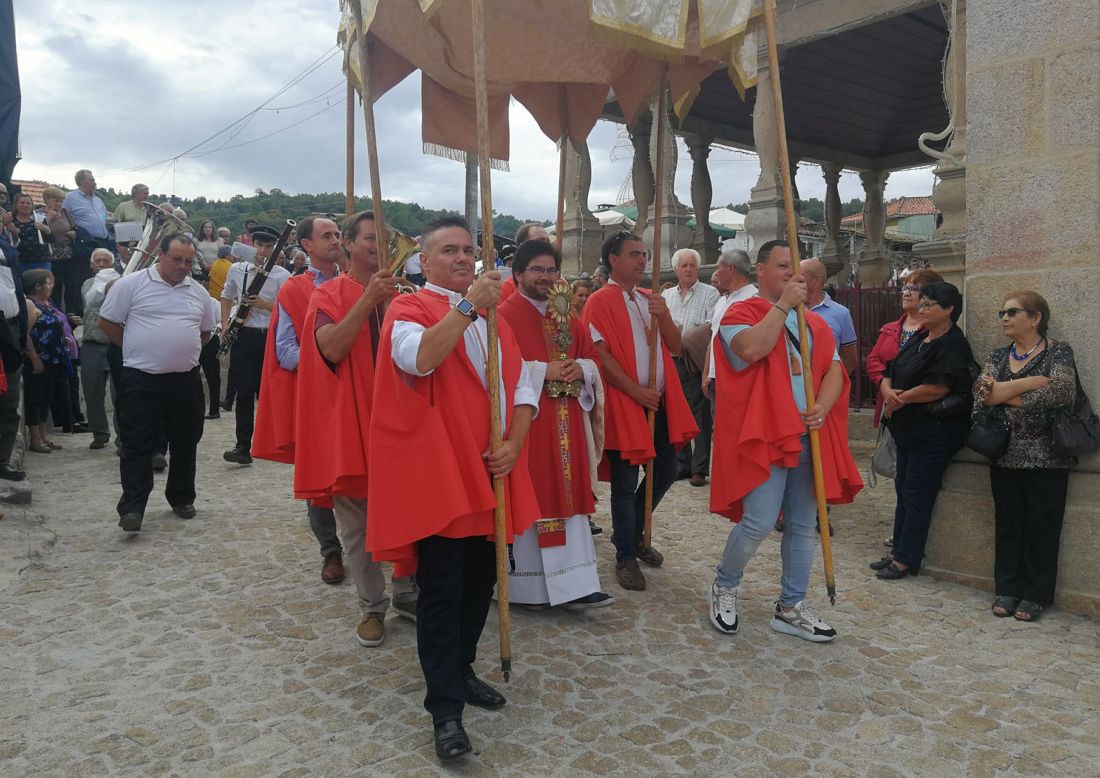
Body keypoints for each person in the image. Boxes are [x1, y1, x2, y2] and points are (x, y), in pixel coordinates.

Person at [367, 216, 540, 762]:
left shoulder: (498, 319)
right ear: (424, 259)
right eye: (450, 250)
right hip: (444, 478)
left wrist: (514, 441)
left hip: (493, 473)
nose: (463, 258)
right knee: (441, 593)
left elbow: (523, 386)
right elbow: (418, 359)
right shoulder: (409, 308)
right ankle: (444, 709)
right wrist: (467, 308)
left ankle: (461, 669)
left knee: (480, 585)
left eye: (469, 250)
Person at [709, 240, 862, 641]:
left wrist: (824, 407)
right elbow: (751, 349)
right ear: (760, 270)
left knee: (803, 524)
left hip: (807, 434)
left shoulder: (814, 322)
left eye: (795, 268)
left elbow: (833, 370)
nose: (790, 274)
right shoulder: (739, 312)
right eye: (781, 266)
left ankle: (791, 605)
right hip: (767, 433)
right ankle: (725, 584)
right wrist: (782, 307)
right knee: (758, 521)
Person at [295, 211, 418, 644]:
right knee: (359, 526)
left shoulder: (405, 295)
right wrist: (369, 300)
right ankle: (371, 606)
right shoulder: (327, 294)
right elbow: (330, 348)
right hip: (354, 426)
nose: (379, 245)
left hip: (401, 424)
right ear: (348, 244)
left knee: (407, 514)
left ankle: (406, 592)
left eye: (385, 239)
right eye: (371, 238)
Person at [499, 239, 613, 609]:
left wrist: (582, 369)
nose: (546, 277)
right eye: (538, 270)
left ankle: (575, 583)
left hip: (567, 424)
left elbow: (593, 359)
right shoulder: (502, 317)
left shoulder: (567, 316)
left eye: (551, 270)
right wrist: (540, 371)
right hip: (527, 426)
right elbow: (494, 369)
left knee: (569, 499)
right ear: (518, 274)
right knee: (532, 494)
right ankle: (525, 588)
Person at [581, 232, 697, 591]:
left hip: (659, 400)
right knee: (625, 480)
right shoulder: (599, 301)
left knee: (667, 467)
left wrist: (663, 317)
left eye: (644, 254)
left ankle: (631, 531)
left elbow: (677, 346)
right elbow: (599, 354)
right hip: (625, 401)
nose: (642, 260)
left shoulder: (652, 299)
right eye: (634, 254)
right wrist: (636, 392)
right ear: (613, 260)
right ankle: (626, 556)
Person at [99, 234, 214, 532]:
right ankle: (133, 507)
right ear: (160, 256)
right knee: (137, 443)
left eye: (188, 261)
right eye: (176, 259)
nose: (182, 266)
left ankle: (181, 497)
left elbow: (205, 333)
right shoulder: (131, 285)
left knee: (186, 441)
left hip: (185, 380)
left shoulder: (198, 292)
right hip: (141, 379)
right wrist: (138, 348)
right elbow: (108, 322)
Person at [974, 291, 1077, 623]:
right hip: (1004, 453)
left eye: (1012, 311)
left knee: (1042, 526)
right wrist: (1032, 383)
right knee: (1008, 523)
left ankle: (1034, 595)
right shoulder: (998, 354)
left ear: (1035, 318)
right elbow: (982, 393)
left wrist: (1005, 391)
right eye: (1001, 312)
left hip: (1048, 456)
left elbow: (1061, 392)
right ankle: (1007, 588)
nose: (1004, 317)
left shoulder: (1058, 351)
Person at [253, 216, 344, 585]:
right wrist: (330, 353)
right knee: (319, 475)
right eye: (327, 235)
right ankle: (331, 550)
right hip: (318, 396)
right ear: (306, 245)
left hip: (361, 394)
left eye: (338, 234)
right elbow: (285, 352)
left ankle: (370, 543)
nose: (336, 240)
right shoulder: (293, 290)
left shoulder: (357, 281)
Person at [872, 281, 976, 580]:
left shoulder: (952, 343)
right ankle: (897, 549)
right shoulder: (920, 336)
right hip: (908, 429)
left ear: (949, 310)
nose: (923, 308)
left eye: (930, 304)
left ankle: (907, 558)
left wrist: (898, 399)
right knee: (903, 490)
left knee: (917, 495)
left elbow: (937, 387)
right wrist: (888, 390)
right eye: (923, 302)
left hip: (934, 432)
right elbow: (891, 368)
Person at [220, 224, 291, 464]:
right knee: (244, 392)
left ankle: (274, 442)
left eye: (268, 247)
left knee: (269, 393)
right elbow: (226, 296)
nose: (262, 251)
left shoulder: (282, 275)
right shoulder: (238, 270)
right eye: (259, 245)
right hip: (244, 334)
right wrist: (225, 324)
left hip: (269, 335)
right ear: (253, 245)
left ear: (275, 250)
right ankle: (242, 445)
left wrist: (265, 305)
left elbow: (290, 310)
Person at [662, 248, 719, 487]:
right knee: (676, 412)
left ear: (698, 269)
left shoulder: (710, 293)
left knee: (700, 416)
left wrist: (687, 338)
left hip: (695, 360)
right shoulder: (666, 295)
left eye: (692, 265)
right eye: (683, 266)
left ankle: (699, 468)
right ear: (676, 269)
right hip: (671, 360)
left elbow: (712, 325)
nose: (688, 269)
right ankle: (681, 463)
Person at [866, 269, 944, 428]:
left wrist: (903, 396)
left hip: (921, 410)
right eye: (905, 288)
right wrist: (884, 385)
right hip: (888, 405)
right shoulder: (889, 328)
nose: (906, 293)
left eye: (914, 289)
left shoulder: (935, 330)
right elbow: (873, 360)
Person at [21, 270, 70, 453]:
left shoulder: (47, 304)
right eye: (48, 283)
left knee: (46, 397)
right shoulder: (30, 304)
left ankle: (43, 436)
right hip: (38, 359)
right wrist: (34, 358)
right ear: (37, 286)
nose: (51, 286)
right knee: (35, 397)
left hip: (53, 358)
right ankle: (35, 439)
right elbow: (26, 334)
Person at [80, 249, 121, 449]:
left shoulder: (121, 282)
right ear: (91, 264)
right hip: (91, 342)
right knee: (92, 391)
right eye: (98, 260)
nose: (102, 264)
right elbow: (91, 303)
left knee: (119, 393)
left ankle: (123, 437)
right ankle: (99, 432)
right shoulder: (88, 285)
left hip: (115, 343)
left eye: (106, 261)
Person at [703, 248, 757, 400]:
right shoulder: (721, 301)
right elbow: (713, 338)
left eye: (718, 268)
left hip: (739, 377)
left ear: (730, 268)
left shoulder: (753, 299)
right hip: (716, 376)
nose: (716, 273)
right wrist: (707, 372)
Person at [61, 169, 110, 314]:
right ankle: (76, 315)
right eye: (92, 180)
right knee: (80, 280)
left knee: (100, 279)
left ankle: (96, 312)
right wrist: (73, 232)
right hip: (84, 243)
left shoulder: (98, 199)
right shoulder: (70, 197)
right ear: (81, 181)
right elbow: (63, 215)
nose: (95, 182)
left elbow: (104, 219)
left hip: (102, 242)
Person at [800, 258, 858, 375]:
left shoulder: (840, 313)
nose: (793, 279)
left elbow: (850, 358)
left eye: (800, 275)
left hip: (825, 386)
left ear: (817, 279)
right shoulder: (789, 308)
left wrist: (834, 386)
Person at [500, 223, 550, 302]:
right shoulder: (508, 288)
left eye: (548, 242)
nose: (547, 246)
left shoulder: (557, 282)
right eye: (540, 241)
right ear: (522, 247)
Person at [4, 193, 52, 272]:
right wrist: (13, 232)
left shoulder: (40, 219)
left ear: (32, 206)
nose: (25, 205)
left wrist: (46, 230)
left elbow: (51, 240)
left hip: (42, 261)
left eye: (28, 203)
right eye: (22, 203)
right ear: (16, 205)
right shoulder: (11, 221)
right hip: (21, 262)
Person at [42, 187, 77, 268]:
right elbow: (39, 232)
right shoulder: (39, 213)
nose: (59, 204)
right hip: (49, 254)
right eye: (56, 201)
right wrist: (48, 218)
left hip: (68, 254)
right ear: (46, 199)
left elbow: (74, 227)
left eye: (61, 201)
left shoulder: (65, 212)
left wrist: (74, 233)